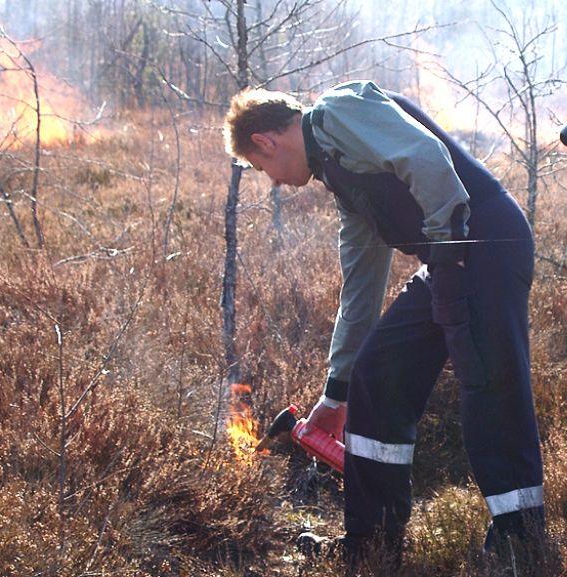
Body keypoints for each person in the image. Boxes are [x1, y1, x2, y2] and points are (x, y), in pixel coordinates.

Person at [222, 81, 545, 568]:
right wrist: (336, 394)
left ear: (265, 141)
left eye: (262, 167)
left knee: (488, 382)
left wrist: (449, 256)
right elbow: (361, 285)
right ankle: (372, 541)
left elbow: (426, 158)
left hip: (483, 246)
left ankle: (520, 542)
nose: (274, 181)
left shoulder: (338, 112)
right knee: (378, 374)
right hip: (447, 260)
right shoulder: (340, 174)